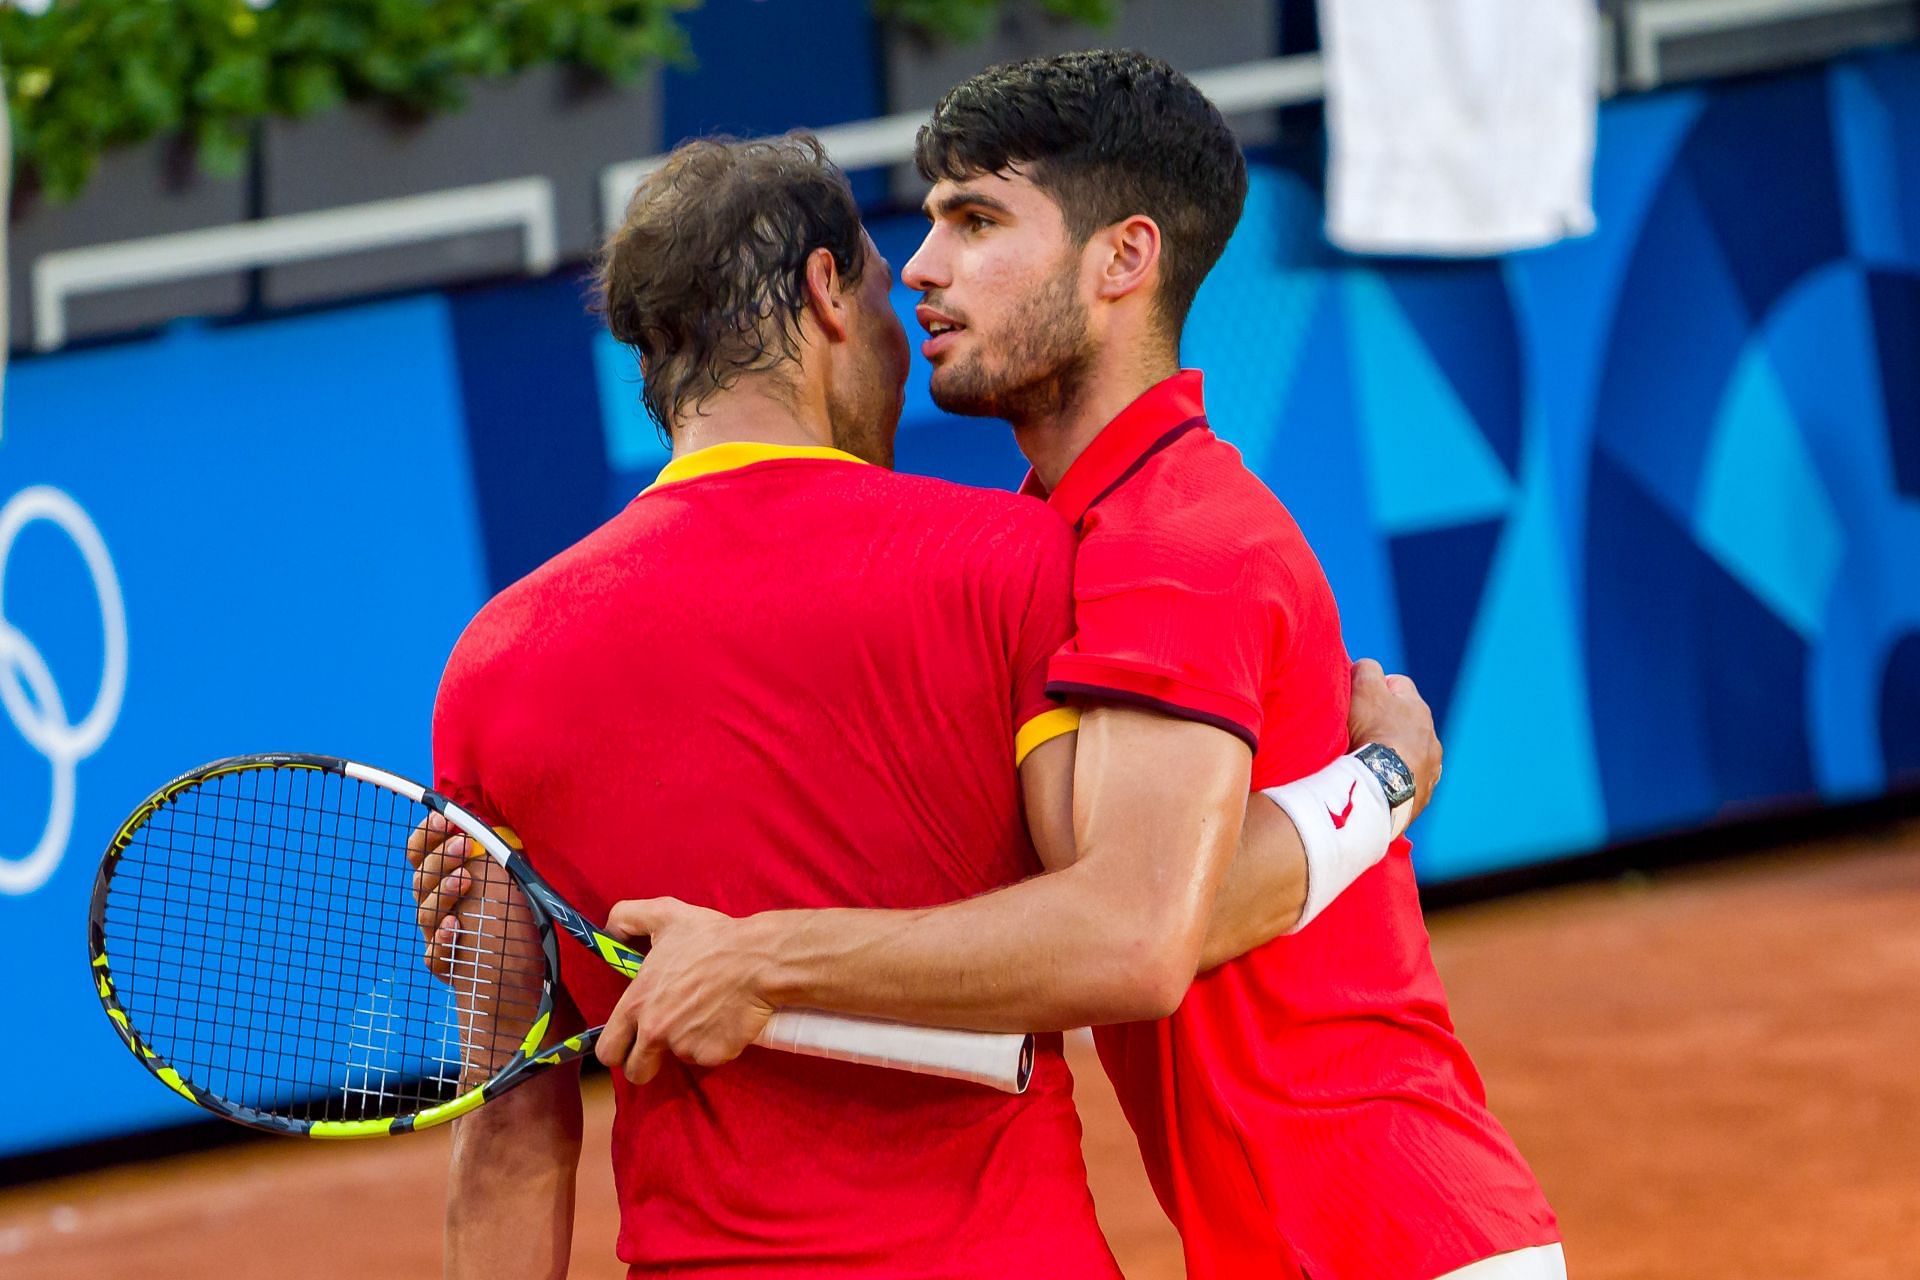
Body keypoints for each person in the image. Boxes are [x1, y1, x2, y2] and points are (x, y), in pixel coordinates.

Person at [600, 52, 1564, 1280]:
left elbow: (1139, 934)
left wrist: (759, 956)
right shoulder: (1069, 534)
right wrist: (1379, 781)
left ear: (1124, 260)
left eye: (979, 220)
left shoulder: (1175, 539)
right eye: (936, 219)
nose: (924, 268)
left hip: (1391, 1242)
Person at [418, 134, 1439, 1279]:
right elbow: (1148, 921)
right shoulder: (1018, 565)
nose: (913, 318)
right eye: (882, 282)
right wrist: (1377, 784)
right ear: (824, 297)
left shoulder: (493, 667)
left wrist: (757, 959)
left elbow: (509, 1122)